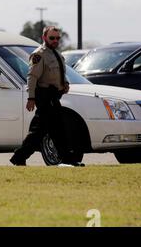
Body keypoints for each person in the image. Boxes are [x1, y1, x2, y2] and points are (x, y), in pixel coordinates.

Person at [10, 26, 85, 167]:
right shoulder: (39, 55)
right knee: (52, 129)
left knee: (44, 130)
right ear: (44, 38)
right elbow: (32, 77)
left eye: (57, 38)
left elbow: (62, 73)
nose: (55, 40)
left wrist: (65, 83)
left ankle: (19, 157)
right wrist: (31, 98)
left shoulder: (57, 54)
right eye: (52, 38)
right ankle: (66, 159)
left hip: (54, 96)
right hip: (44, 96)